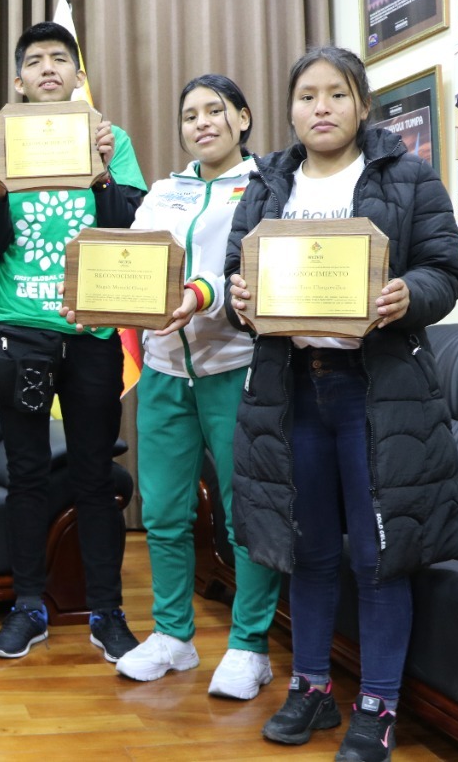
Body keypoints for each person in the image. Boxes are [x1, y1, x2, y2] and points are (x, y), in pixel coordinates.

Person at [224, 46, 458, 762]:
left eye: (336, 93)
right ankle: (311, 687)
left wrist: (407, 294)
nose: (321, 107)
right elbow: (238, 274)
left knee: (380, 555)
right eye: (307, 95)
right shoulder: (267, 183)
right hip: (292, 390)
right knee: (310, 549)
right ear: (290, 109)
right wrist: (239, 299)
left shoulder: (408, 175)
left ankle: (378, 703)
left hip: (378, 393)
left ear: (362, 104)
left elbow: (444, 271)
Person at [0, 21, 146, 663]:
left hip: (92, 331)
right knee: (27, 475)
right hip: (19, 329)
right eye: (36, 61)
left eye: (60, 58)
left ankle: (107, 611)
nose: (49, 68)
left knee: (95, 475)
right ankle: (27, 607)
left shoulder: (110, 139)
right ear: (18, 80)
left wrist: (101, 173)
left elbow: (128, 227)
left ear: (77, 75)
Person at [104, 75, 282, 698]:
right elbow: (133, 263)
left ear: (243, 118)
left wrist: (200, 293)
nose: (201, 123)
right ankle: (173, 636)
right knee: (163, 512)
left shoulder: (267, 186)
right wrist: (97, 299)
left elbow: (249, 268)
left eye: (214, 110)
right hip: (163, 369)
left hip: (237, 367)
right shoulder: (163, 192)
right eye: (189, 115)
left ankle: (249, 645)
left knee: (245, 514)